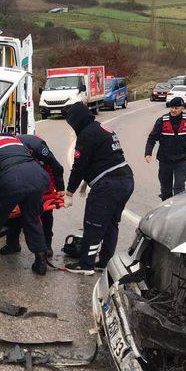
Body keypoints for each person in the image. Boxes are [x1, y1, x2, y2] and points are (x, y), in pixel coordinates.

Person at [64, 102, 134, 275]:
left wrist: (69, 193)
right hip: (125, 180)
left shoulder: (86, 135)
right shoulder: (102, 129)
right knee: (111, 223)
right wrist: (85, 183)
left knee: (93, 224)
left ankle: (86, 265)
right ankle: (104, 262)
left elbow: (79, 167)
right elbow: (101, 158)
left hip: (108, 185)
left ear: (77, 120)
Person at [0, 125, 50, 276]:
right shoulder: (13, 140)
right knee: (32, 219)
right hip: (38, 177)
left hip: (12, 181)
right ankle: (41, 261)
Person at [0, 133, 65, 257]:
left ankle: (47, 245)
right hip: (21, 180)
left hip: (44, 179)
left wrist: (60, 188)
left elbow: (57, 167)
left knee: (45, 213)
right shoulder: (5, 150)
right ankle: (12, 244)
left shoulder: (36, 145)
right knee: (16, 212)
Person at [144, 96, 186, 200]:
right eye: (171, 107)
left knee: (179, 187)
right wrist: (148, 153)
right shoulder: (162, 121)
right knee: (165, 189)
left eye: (176, 108)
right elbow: (152, 138)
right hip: (165, 159)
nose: (173, 110)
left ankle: (178, 211)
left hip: (182, 159)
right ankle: (166, 208)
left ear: (182, 108)